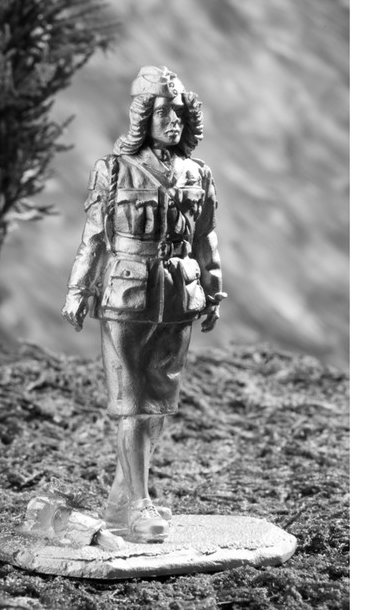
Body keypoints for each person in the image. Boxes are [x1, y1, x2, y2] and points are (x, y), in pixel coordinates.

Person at [61, 65, 226, 543]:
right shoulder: (113, 170)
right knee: (130, 405)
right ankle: (138, 503)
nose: (173, 121)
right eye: (162, 112)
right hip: (126, 295)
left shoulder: (197, 173)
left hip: (177, 296)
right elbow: (94, 237)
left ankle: (123, 497)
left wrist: (213, 290)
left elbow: (205, 238)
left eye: (179, 113)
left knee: (157, 406)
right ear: (142, 117)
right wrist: (77, 290)